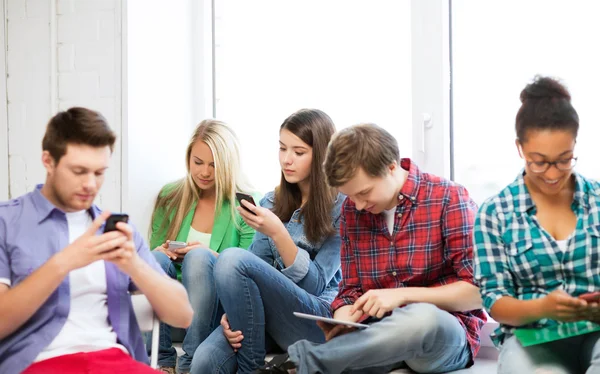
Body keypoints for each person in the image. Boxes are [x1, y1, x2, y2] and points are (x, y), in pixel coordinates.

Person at [269, 123, 486, 374]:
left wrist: (404, 296)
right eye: (351, 197)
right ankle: (325, 358)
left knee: (422, 318)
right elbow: (350, 290)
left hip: (441, 337)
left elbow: (478, 292)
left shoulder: (449, 198)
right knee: (360, 341)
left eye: (364, 193)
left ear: (391, 167)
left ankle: (301, 362)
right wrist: (344, 317)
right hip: (378, 336)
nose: (359, 206)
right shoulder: (352, 210)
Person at [0, 107, 193, 374]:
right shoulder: (6, 222)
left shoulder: (117, 231)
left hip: (115, 362)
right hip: (37, 363)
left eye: (99, 172)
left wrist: (134, 265)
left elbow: (183, 315)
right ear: (48, 161)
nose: (91, 184)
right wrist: (64, 262)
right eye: (79, 171)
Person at [190, 109, 345, 374]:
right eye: (282, 148)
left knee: (231, 257)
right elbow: (250, 272)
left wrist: (279, 234)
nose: (287, 160)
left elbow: (316, 285)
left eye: (298, 152)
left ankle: (251, 369)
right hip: (264, 314)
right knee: (204, 362)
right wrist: (234, 312)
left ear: (320, 155)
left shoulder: (343, 207)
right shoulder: (270, 202)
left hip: (314, 319)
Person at [474, 76, 600, 374]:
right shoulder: (495, 212)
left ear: (574, 146)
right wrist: (543, 307)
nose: (553, 173)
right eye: (539, 161)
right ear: (520, 148)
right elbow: (495, 299)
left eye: (564, 159)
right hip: (531, 338)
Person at [148, 119, 257, 374]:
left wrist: (210, 255)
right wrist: (159, 252)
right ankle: (162, 361)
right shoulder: (170, 196)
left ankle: (188, 363)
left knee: (198, 257)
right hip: (172, 309)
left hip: (216, 312)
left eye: (214, 165)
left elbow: (252, 270)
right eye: (197, 162)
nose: (205, 172)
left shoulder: (246, 205)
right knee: (154, 260)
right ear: (188, 159)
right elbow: (153, 257)